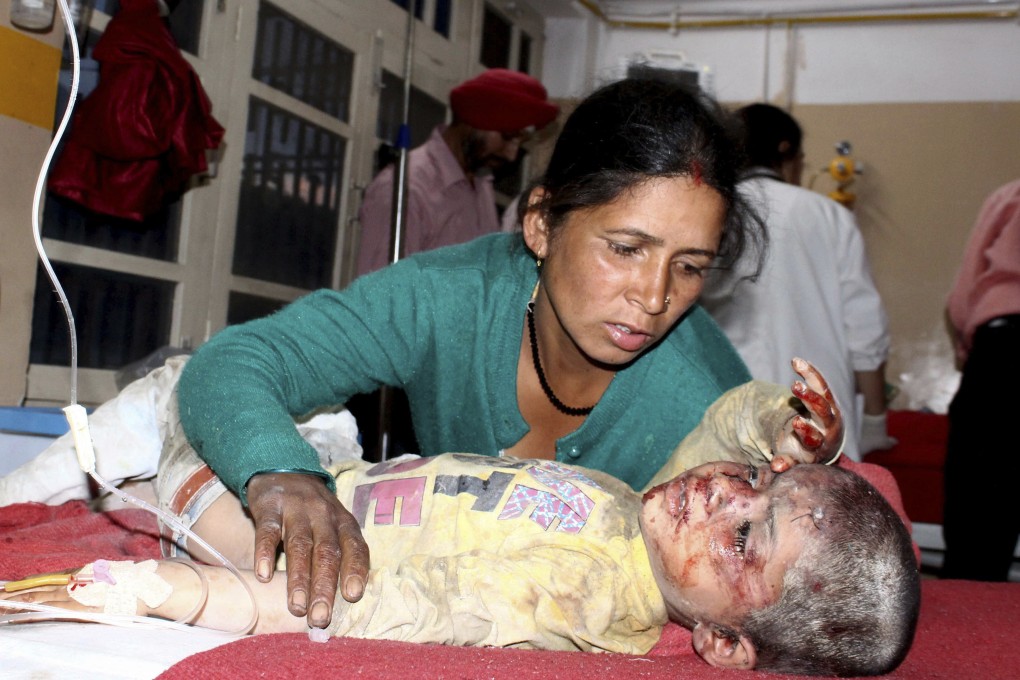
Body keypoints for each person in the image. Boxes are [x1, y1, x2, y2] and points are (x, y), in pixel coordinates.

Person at [173, 77, 768, 629]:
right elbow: (238, 361)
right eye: (625, 248)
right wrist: (280, 470)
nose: (655, 295)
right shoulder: (447, 298)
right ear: (540, 224)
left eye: (690, 267)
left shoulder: (704, 397)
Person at [0, 362, 922, 676]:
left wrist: (179, 589)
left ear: (723, 644)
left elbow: (389, 607)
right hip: (335, 480)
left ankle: (36, 494)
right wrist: (781, 426)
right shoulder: (652, 523)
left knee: (185, 398)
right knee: (305, 417)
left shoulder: (583, 599)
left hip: (276, 541)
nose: (727, 492)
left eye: (744, 535)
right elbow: (721, 430)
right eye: (758, 482)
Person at [699, 103, 895, 461]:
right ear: (786, 151)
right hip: (814, 424)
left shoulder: (710, 211)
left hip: (725, 420)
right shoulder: (828, 215)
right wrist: (875, 420)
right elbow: (865, 330)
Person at [355, 68, 559, 276]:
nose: (511, 155)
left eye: (520, 143)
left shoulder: (481, 186)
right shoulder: (404, 189)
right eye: (507, 137)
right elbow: (380, 295)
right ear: (472, 121)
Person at [941, 178, 1020, 581]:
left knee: (978, 519)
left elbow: (964, 295)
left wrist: (969, 351)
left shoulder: (1010, 196)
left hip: (1004, 349)